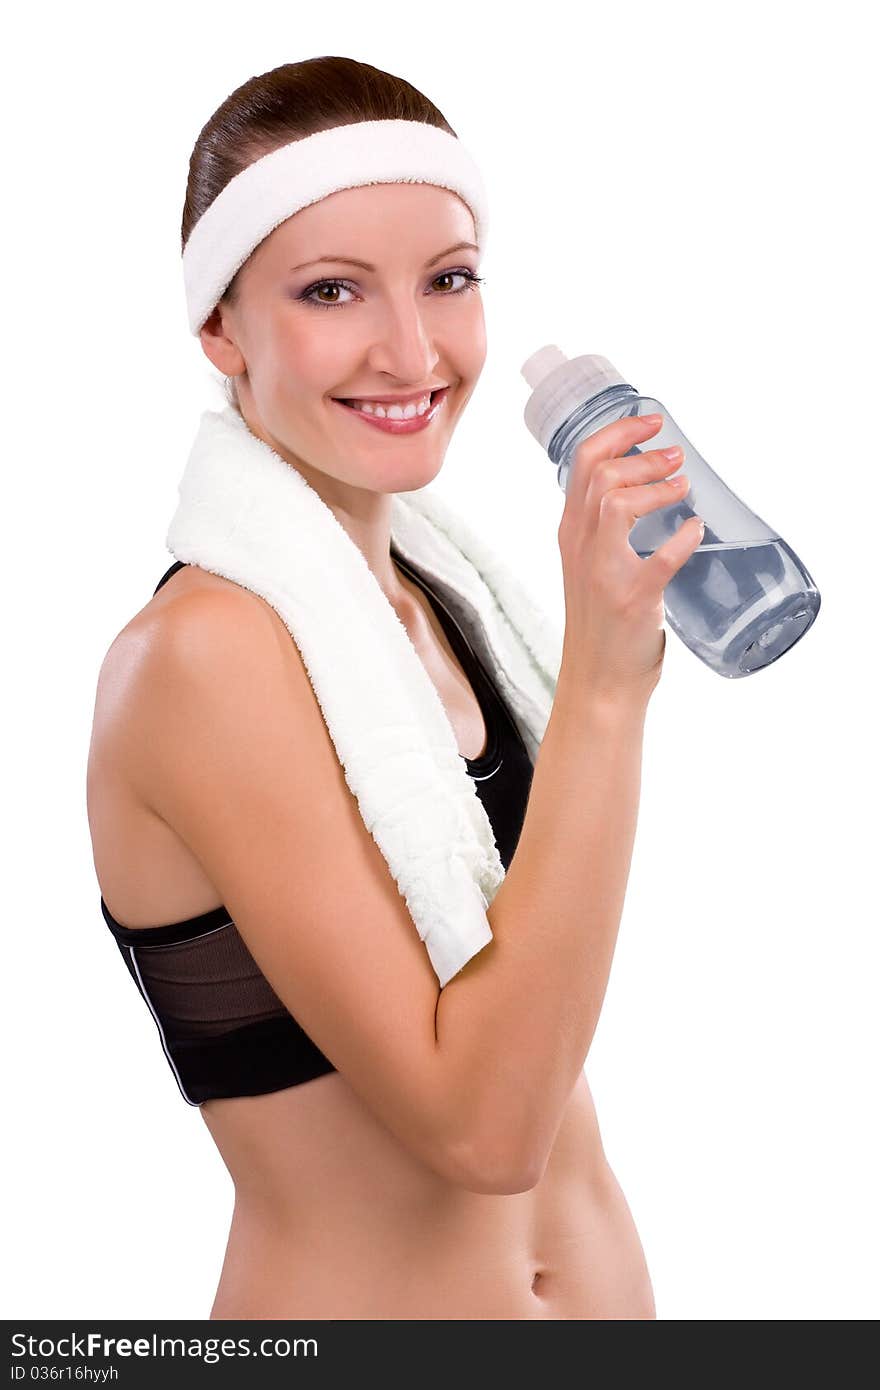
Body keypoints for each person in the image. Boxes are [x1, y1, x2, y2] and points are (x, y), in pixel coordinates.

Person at [87, 55, 702, 1320]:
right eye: (330, 291)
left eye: (449, 279)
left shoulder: (445, 600)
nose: (412, 349)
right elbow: (483, 1131)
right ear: (220, 329)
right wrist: (602, 681)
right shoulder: (205, 656)